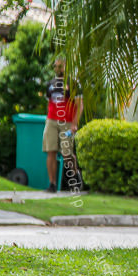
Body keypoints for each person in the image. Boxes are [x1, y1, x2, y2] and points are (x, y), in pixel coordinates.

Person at [43, 57, 82, 193]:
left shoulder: (73, 84)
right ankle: (52, 184)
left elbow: (79, 105)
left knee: (67, 153)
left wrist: (74, 124)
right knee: (51, 151)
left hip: (67, 122)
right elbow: (49, 102)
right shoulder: (50, 84)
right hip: (51, 121)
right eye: (56, 66)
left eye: (61, 66)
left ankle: (75, 178)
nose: (58, 69)